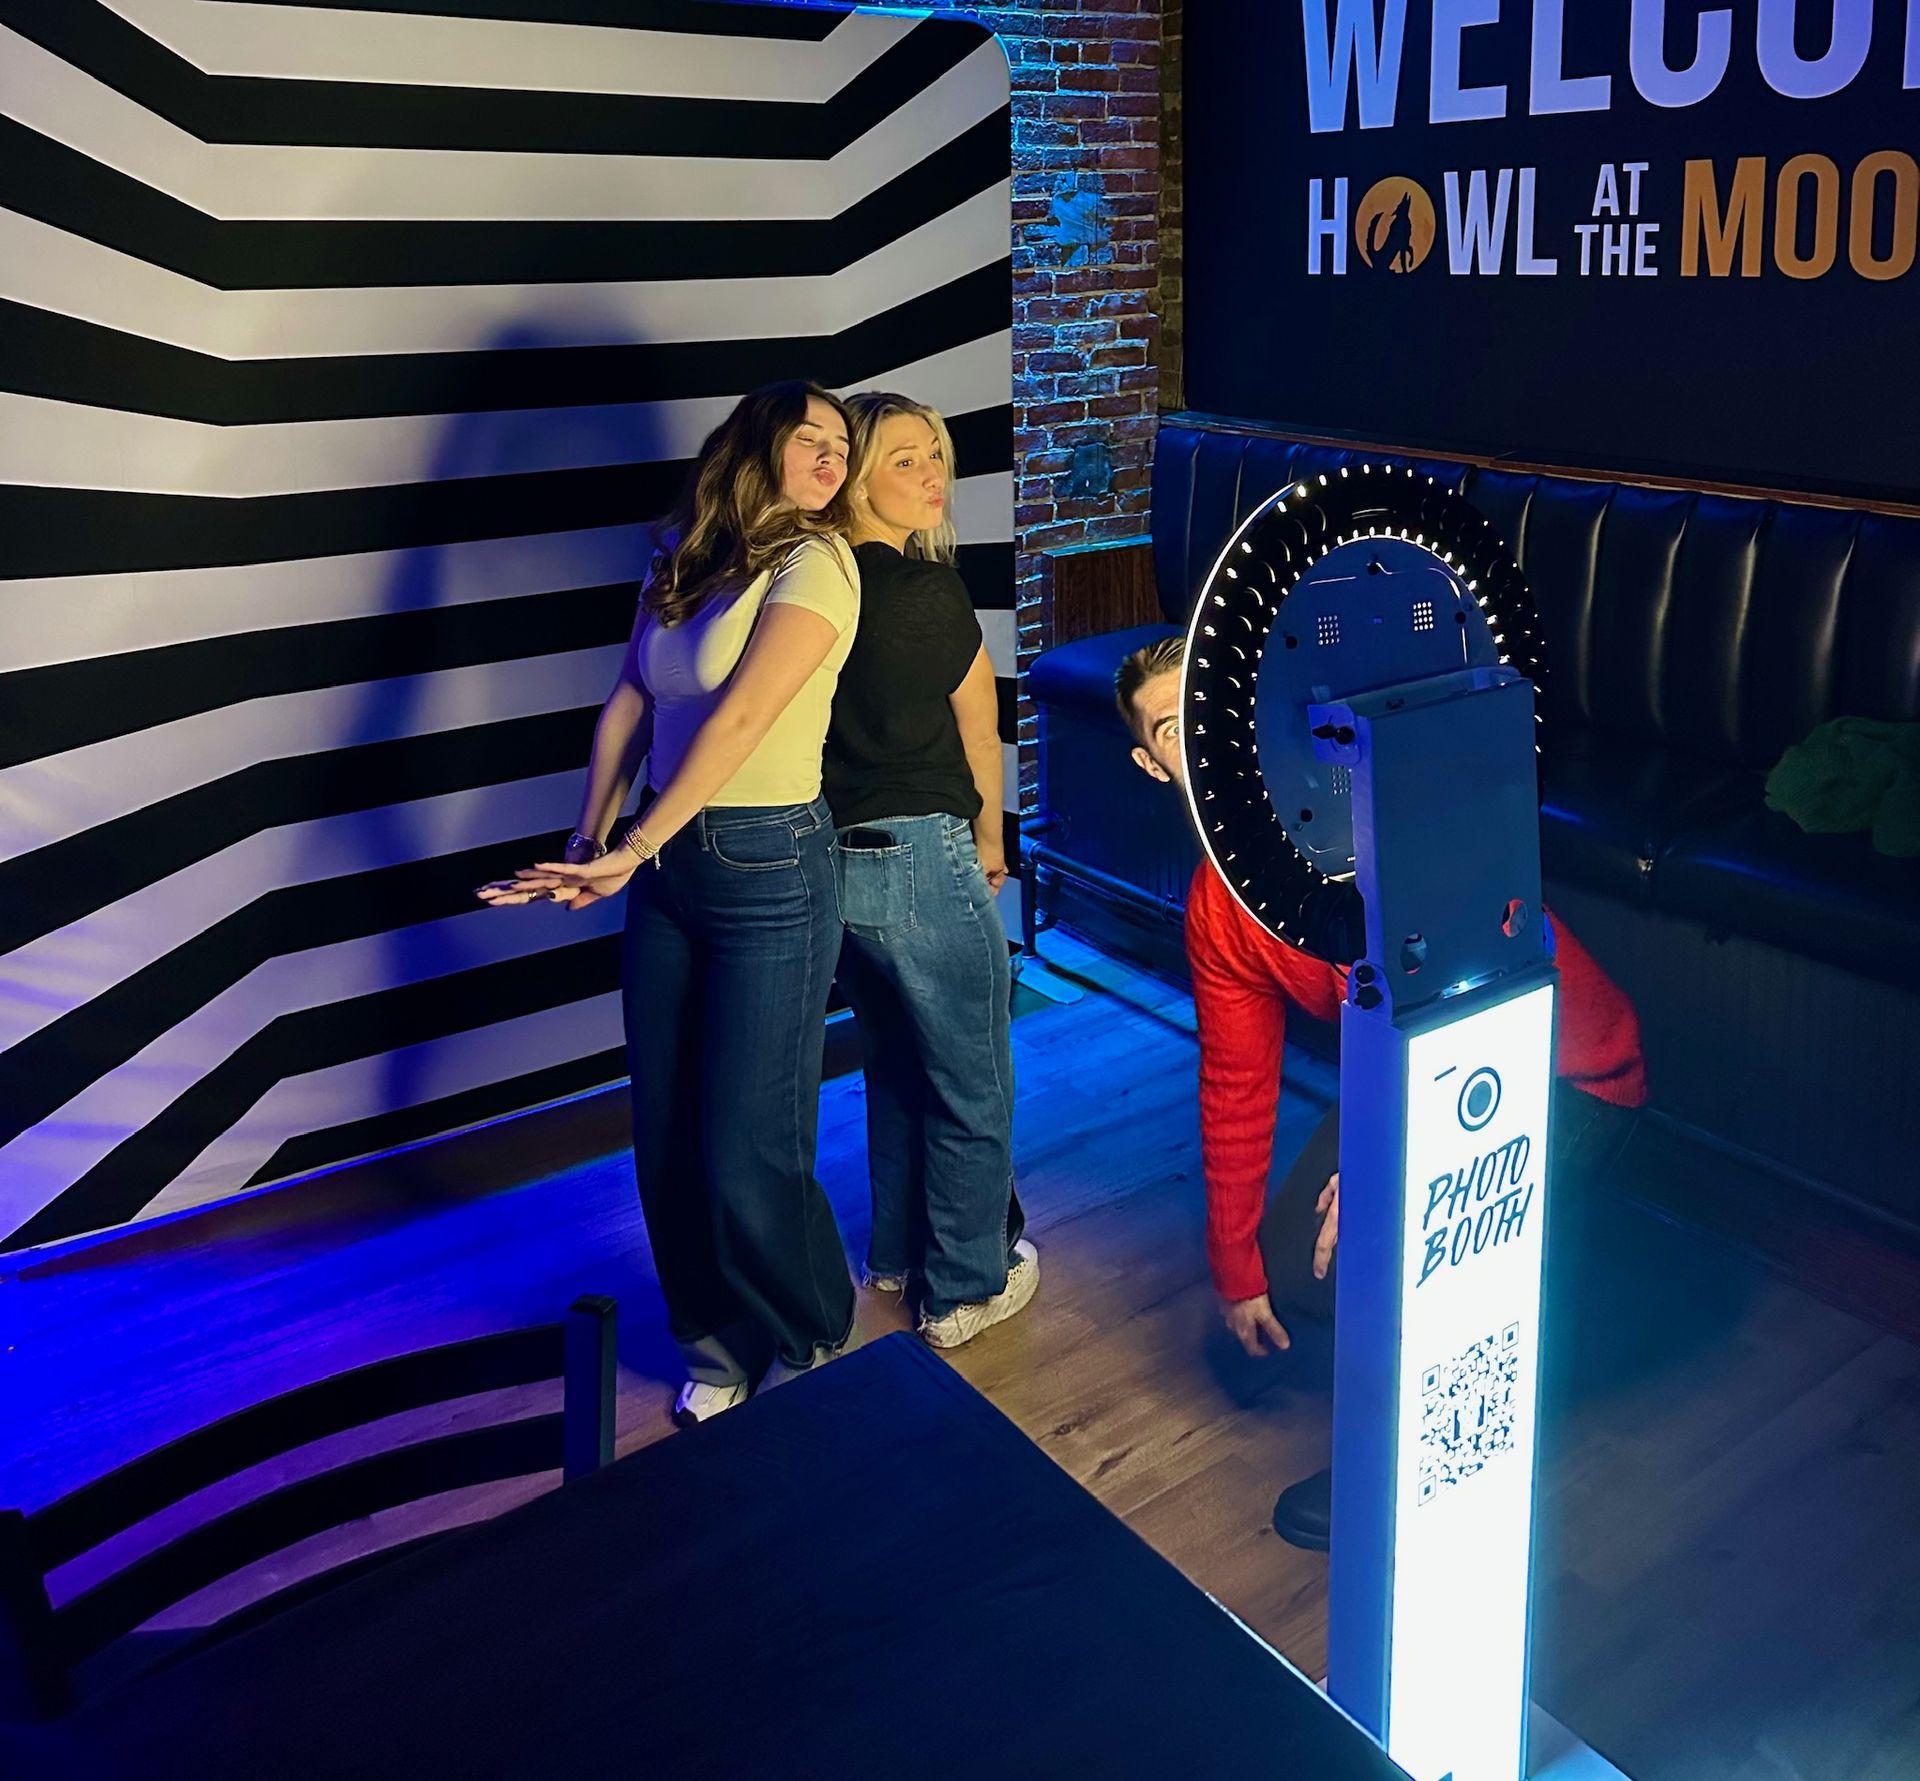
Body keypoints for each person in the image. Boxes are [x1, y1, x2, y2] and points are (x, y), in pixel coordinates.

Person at [1115, 634, 1649, 1546]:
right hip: (1425, 1071)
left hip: (1563, 1070)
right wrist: (1234, 1265)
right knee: (1293, 1265)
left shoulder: (1359, 821)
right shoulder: (1219, 902)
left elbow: (1466, 1012)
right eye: (1172, 729)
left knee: (1393, 1234)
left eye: (1208, 717)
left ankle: (1410, 1462)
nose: (1198, 746)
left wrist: (1386, 1165)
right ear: (1151, 762)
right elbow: (1235, 1083)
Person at [481, 382, 862, 1426]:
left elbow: (741, 719)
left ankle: (815, 1333)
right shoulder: (686, 556)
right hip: (666, 863)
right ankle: (716, 1337)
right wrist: (589, 837)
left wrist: (635, 843)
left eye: (845, 445)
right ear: (755, 444)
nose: (835, 458)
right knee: (668, 1126)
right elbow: (634, 697)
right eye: (812, 438)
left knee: (750, 1138)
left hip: (769, 863)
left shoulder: (819, 563)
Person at [822, 391, 1037, 1349]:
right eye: (906, 459)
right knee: (973, 1080)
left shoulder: (811, 586)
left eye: (937, 457)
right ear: (857, 475)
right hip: (923, 853)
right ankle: (961, 1290)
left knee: (898, 1066)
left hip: (837, 865)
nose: (932, 475)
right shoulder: (926, 589)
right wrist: (992, 841)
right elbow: (980, 731)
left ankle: (897, 1257)